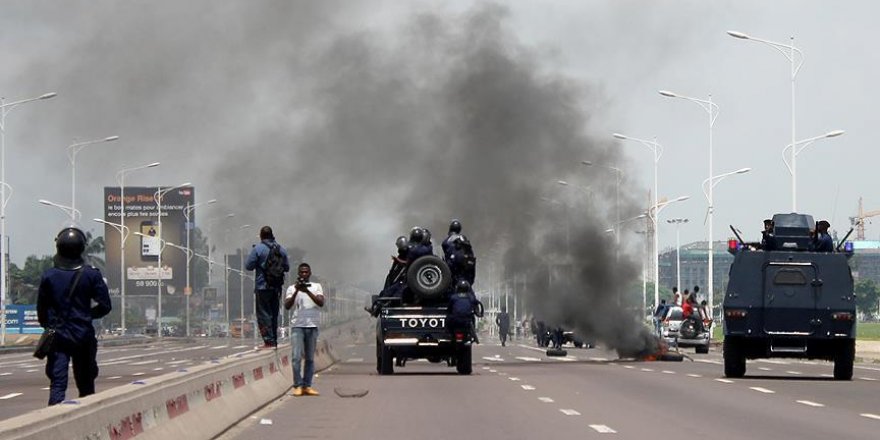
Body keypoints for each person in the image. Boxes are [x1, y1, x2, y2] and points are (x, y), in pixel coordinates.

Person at [37, 226, 112, 406]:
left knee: (57, 384)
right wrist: (87, 315)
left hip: (58, 338)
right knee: (86, 386)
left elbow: (42, 311)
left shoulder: (49, 276)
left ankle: (53, 422)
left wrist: (51, 326)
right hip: (83, 336)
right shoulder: (91, 275)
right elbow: (105, 306)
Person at [245, 226, 290, 349]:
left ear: (261, 236)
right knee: (274, 314)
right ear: (272, 235)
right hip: (276, 287)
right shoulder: (281, 249)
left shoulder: (258, 249)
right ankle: (274, 340)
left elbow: (248, 266)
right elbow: (287, 267)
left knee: (263, 314)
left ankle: (268, 341)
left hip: (262, 286)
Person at [284, 263, 325, 397]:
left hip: (312, 326)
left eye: (306, 272)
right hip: (298, 326)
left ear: (310, 273)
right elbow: (287, 305)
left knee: (310, 359)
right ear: (298, 274)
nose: (304, 275)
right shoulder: (291, 288)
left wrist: (306, 291)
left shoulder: (316, 287)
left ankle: (307, 385)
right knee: (296, 357)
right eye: (301, 272)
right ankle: (298, 385)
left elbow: (320, 303)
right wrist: (297, 290)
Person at [447, 279, 480, 344]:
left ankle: (449, 334)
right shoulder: (471, 297)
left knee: (447, 320)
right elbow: (475, 306)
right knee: (473, 318)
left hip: (455, 320)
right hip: (466, 321)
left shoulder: (454, 297)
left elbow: (449, 308)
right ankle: (471, 334)